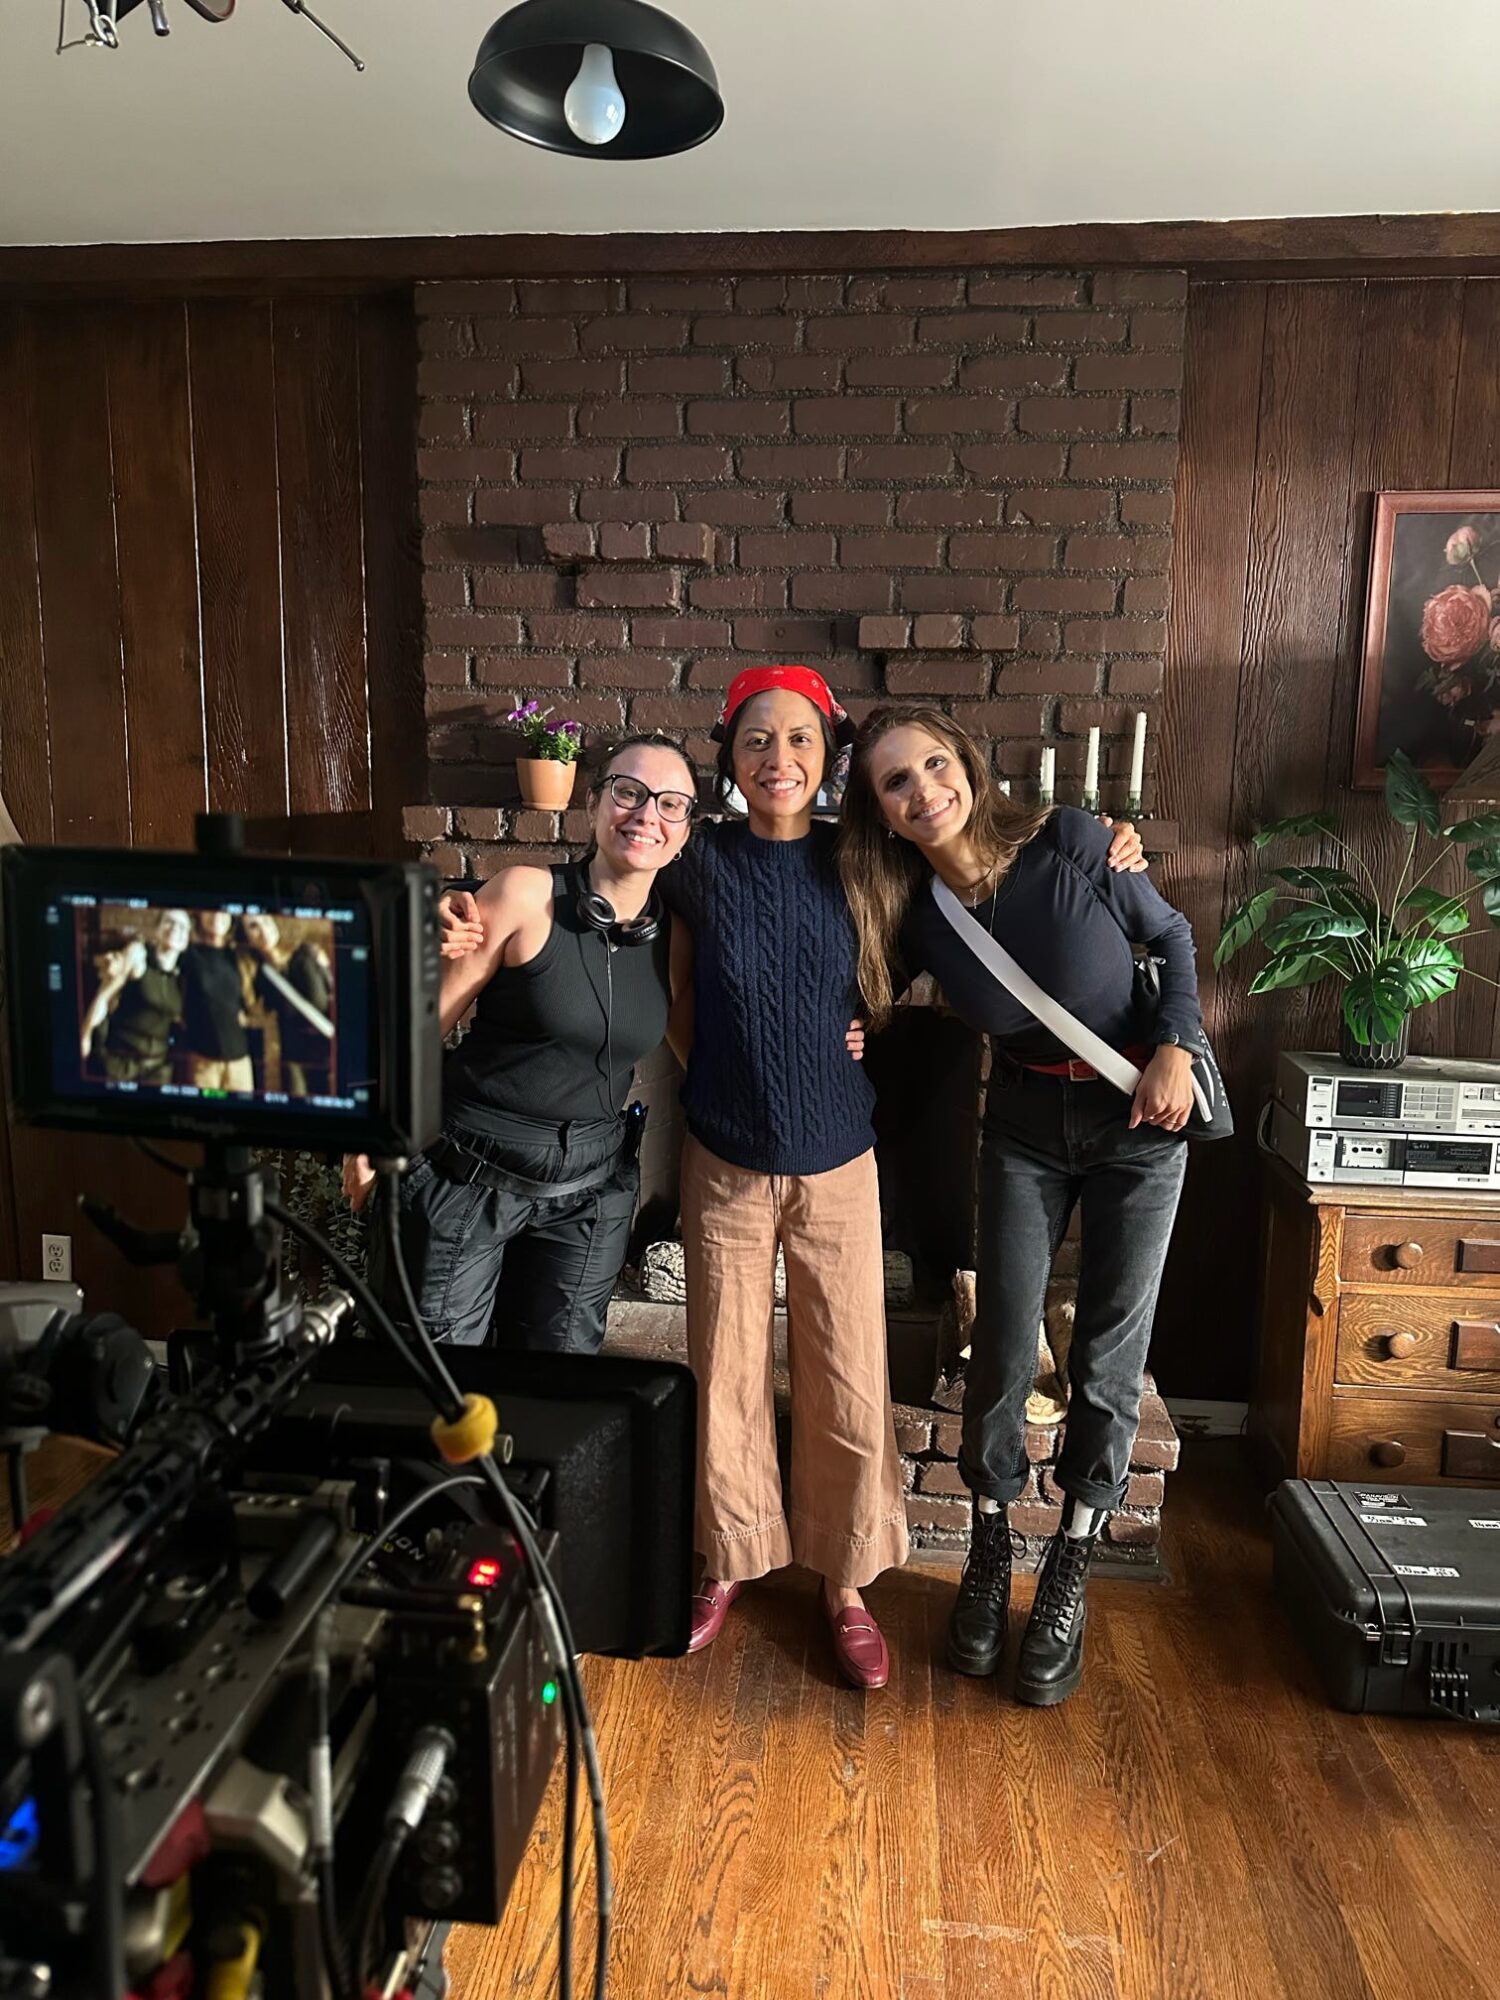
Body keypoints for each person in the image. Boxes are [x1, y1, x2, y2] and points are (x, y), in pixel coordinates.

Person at [838, 705, 1201, 1708]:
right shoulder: (916, 914)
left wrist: (1174, 1044)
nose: (925, 790)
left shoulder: (1075, 839)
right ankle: (990, 1550)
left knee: (1108, 1359)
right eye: (896, 783)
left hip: (1137, 1113)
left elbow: (1169, 937)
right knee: (1000, 1344)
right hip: (1027, 1126)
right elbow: (860, 988)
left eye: (934, 764)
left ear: (966, 762)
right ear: (882, 812)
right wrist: (845, 1028)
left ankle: (1071, 1566)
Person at [660, 664, 905, 1690]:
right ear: (729, 758)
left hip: (839, 1160)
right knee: (723, 1373)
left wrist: (1104, 842)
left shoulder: (863, 859)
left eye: (799, 739)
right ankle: (728, 1557)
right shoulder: (696, 862)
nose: (779, 759)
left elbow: (922, 948)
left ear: (828, 754)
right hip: (723, 1156)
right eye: (757, 740)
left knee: (849, 1371)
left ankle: (843, 1581)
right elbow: (678, 999)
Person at [350, 733, 695, 1353]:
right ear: (595, 804)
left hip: (590, 1191)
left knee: (559, 1391)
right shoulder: (524, 894)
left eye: (671, 804)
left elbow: (702, 1053)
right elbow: (423, 1019)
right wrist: (374, 1131)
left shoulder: (674, 939)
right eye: (629, 792)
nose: (647, 815)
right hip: (467, 1174)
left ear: (686, 830)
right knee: (434, 1375)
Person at [81, 907, 190, 1085]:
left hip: (157, 1070)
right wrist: (85, 1034)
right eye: (169, 921)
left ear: (186, 941)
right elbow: (104, 997)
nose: (175, 928)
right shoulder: (138, 957)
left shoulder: (182, 977)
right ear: (157, 930)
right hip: (119, 1065)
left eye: (182, 927)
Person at [238, 915, 335, 1096]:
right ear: (247, 938)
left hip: (325, 1046)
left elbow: (330, 995)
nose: (263, 929)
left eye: (266, 922)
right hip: (293, 1053)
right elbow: (256, 1009)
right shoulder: (261, 974)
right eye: (253, 926)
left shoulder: (306, 953)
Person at [179, 910, 254, 1093]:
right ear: (199, 916)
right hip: (204, 1062)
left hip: (240, 1062)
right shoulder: (188, 954)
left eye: (223, 912)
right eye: (210, 911)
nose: (217, 916)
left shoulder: (239, 956)